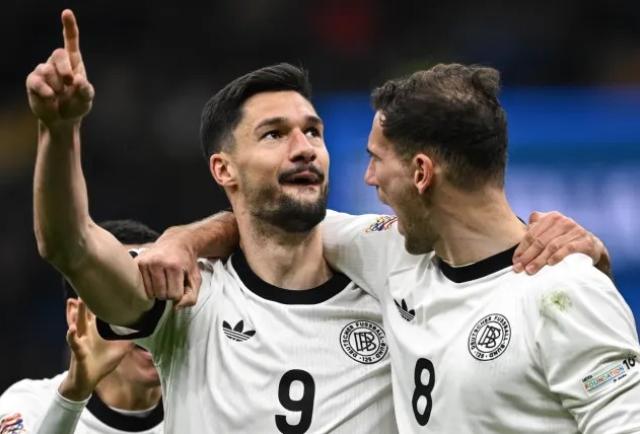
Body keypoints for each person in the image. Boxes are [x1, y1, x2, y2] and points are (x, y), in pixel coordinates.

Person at [135, 67, 638, 434]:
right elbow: (265, 217)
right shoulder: (392, 254)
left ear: (420, 173)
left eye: (376, 160)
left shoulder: (566, 290)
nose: (368, 178)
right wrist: (182, 240)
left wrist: (584, 267)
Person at [28, 10, 395, 434]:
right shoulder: (187, 300)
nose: (304, 148)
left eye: (313, 131)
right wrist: (60, 131)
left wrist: (190, 236)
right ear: (224, 170)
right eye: (274, 134)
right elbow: (70, 245)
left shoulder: (391, 283)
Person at [0, 220, 163, 434]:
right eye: (125, 300)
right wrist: (73, 396)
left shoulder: (204, 403)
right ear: (76, 316)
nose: (149, 321)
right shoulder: (29, 405)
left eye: (159, 300)